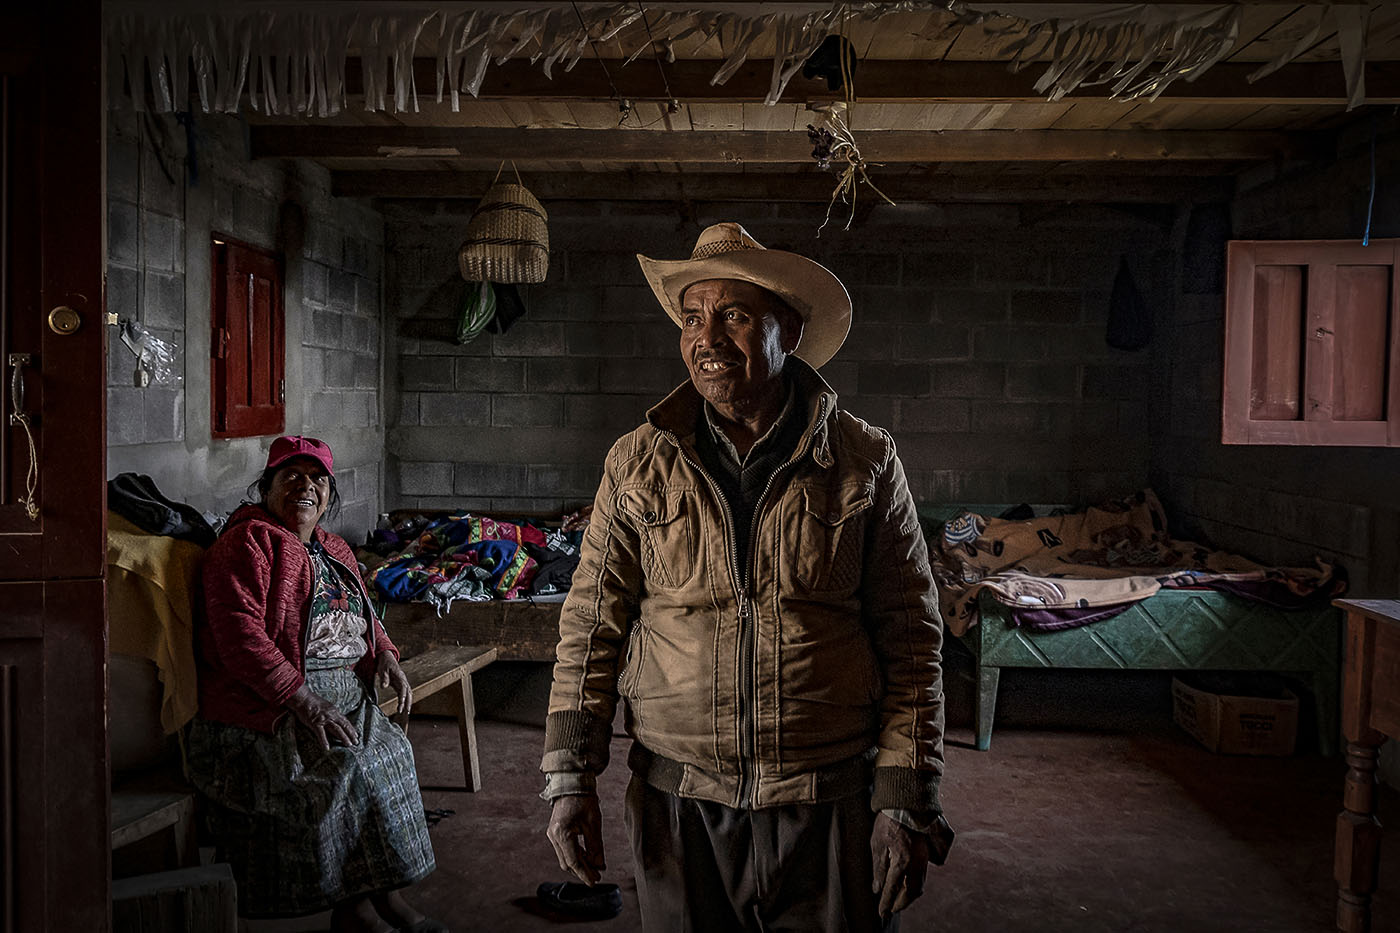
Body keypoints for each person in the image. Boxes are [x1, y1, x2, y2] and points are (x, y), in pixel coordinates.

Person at [542, 223, 953, 931]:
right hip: (678, 798)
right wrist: (569, 777)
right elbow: (591, 624)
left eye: (733, 314)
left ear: (787, 329)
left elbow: (912, 638)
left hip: (827, 797)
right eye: (692, 317)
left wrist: (906, 799)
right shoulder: (638, 461)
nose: (708, 337)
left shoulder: (865, 460)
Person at [189, 435, 446, 933]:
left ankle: (379, 901)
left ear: (329, 494)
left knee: (390, 754)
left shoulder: (335, 548)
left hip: (346, 694)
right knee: (346, 769)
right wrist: (304, 701)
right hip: (269, 707)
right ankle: (356, 910)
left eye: (317, 480)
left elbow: (364, 615)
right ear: (266, 487)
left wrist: (384, 655)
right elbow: (240, 640)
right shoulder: (246, 544)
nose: (306, 487)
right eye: (292, 477)